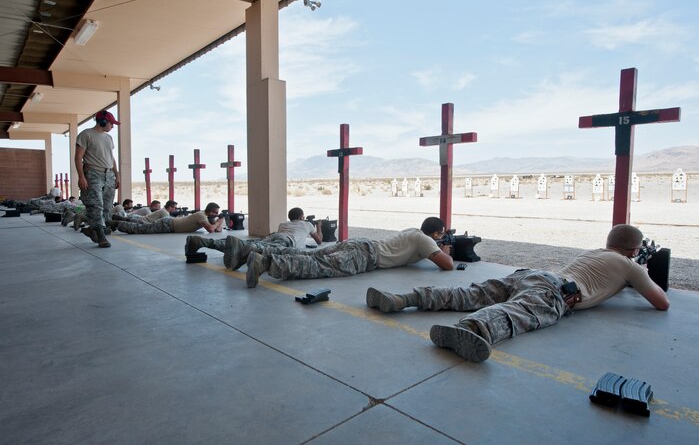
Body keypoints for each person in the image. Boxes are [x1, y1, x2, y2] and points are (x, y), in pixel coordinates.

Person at [365, 224, 670, 363]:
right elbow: (661, 302)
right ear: (633, 250)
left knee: (468, 293)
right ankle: (472, 328)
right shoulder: (630, 265)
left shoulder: (595, 253)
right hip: (557, 290)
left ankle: (405, 299)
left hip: (530, 276)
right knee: (519, 312)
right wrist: (639, 270)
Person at [245, 216, 454, 288]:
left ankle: (258, 251)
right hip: (366, 256)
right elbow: (447, 265)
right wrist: (445, 250)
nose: (441, 237)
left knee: (312, 255)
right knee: (318, 266)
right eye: (440, 234)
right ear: (435, 233)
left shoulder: (414, 232)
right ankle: (265, 264)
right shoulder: (425, 240)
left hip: (359, 244)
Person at [184, 207, 323, 268]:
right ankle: (237, 247)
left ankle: (204, 241)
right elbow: (319, 241)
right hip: (286, 242)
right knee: (252, 248)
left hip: (275, 235)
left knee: (253, 244)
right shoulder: (307, 224)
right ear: (301, 217)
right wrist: (319, 226)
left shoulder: (283, 224)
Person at [75, 110, 120, 248]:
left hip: (109, 175)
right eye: (111, 123)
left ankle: (92, 229)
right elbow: (78, 157)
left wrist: (116, 175)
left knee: (107, 206)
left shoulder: (108, 138)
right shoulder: (86, 134)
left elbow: (111, 158)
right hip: (93, 173)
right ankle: (100, 236)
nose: (113, 126)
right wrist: (81, 176)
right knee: (96, 205)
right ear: (103, 121)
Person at [108, 202, 224, 234]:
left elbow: (217, 230)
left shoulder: (206, 216)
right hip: (168, 224)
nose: (216, 214)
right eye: (215, 212)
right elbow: (210, 229)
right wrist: (219, 221)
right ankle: (116, 223)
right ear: (209, 210)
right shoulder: (201, 215)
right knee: (140, 229)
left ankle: (117, 220)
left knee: (141, 225)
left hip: (169, 225)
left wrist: (219, 222)